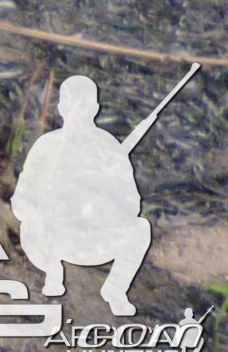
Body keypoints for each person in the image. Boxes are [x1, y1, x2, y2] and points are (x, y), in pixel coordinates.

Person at [10, 73, 156, 315]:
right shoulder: (47, 147)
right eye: (72, 105)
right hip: (53, 238)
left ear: (95, 109)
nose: (78, 112)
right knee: (32, 223)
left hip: (94, 238)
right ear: (62, 108)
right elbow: (21, 198)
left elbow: (132, 204)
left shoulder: (108, 148)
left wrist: (105, 202)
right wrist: (38, 210)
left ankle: (115, 289)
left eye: (84, 106)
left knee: (140, 228)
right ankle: (52, 273)